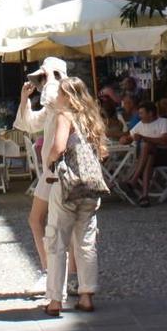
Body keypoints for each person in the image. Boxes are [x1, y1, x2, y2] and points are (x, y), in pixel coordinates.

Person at [40, 77, 105, 317]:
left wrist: (48, 164)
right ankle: (87, 296)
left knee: (57, 241)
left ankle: (55, 301)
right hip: (91, 186)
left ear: (67, 96)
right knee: (86, 241)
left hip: (68, 185)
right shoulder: (91, 118)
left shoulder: (64, 116)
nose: (57, 98)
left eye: (59, 94)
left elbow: (58, 147)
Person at [15, 58, 79, 296]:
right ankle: (48, 271)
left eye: (45, 77)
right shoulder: (52, 104)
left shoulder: (66, 102)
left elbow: (51, 98)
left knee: (68, 225)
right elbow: (29, 125)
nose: (42, 82)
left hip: (64, 169)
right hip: (49, 171)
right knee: (36, 219)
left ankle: (71, 277)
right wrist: (24, 98)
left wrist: (50, 77)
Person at [120, 101, 167, 207]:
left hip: (165, 156)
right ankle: (144, 196)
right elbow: (129, 138)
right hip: (149, 158)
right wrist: (124, 139)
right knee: (149, 156)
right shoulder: (140, 125)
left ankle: (134, 180)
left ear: (150, 113)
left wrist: (144, 138)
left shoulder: (163, 122)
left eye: (141, 113)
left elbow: (164, 141)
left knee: (147, 146)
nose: (139, 116)